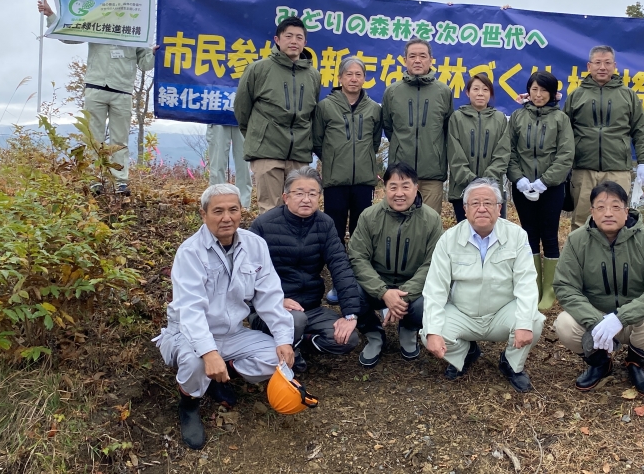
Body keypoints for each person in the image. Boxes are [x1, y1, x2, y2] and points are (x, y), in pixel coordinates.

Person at [153, 184, 295, 450]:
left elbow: (269, 296)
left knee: (276, 358)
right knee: (197, 363)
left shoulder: (255, 245)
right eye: (218, 211)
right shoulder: (190, 252)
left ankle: (221, 375)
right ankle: (189, 404)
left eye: (233, 209)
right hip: (188, 333)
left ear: (242, 212)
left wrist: (284, 338)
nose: (226, 217)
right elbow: (190, 310)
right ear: (203, 214)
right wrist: (209, 352)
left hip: (232, 333)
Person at [422, 178, 543, 393]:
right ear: (465, 209)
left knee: (533, 320)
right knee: (429, 330)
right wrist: (433, 331)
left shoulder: (517, 236)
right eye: (475, 203)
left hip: (502, 313)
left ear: (499, 208)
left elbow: (526, 283)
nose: (482, 209)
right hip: (462, 313)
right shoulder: (448, 239)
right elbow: (435, 288)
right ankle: (464, 353)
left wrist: (523, 323)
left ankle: (511, 364)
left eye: (488, 203)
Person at [553, 181, 644, 395]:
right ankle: (601, 362)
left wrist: (620, 317)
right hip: (596, 315)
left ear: (626, 211)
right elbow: (565, 286)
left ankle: (635, 363)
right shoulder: (576, 241)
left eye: (615, 207)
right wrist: (596, 321)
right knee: (565, 324)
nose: (608, 213)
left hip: (635, 317)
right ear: (592, 211)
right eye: (601, 207)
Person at [247, 167, 362, 373]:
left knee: (347, 338)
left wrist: (350, 314)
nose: (306, 199)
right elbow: (245, 274)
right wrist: (273, 301)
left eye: (312, 193)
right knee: (295, 320)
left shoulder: (325, 224)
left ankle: (298, 343)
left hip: (310, 307)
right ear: (285, 197)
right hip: (271, 309)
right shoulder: (264, 225)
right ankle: (287, 348)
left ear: (319, 197)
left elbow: (340, 267)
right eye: (299, 193)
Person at [38, 0, 157, 194]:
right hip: (96, 87)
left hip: (122, 90)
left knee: (120, 140)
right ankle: (96, 180)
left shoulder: (137, 30)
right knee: (93, 138)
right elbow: (71, 36)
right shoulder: (98, 23)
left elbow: (144, 63)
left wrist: (153, 53)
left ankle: (120, 182)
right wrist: (51, 16)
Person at [348, 162, 444, 367]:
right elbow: (357, 257)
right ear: (385, 189)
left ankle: (408, 329)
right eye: (393, 187)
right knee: (350, 291)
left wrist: (403, 294)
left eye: (405, 186)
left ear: (416, 188)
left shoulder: (431, 219)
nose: (399, 193)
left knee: (428, 302)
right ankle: (374, 333)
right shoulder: (369, 216)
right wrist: (383, 292)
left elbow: (433, 263)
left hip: (412, 288)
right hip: (377, 285)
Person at [234, 16, 321, 214]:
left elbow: (311, 113)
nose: (294, 41)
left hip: (299, 152)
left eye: (299, 37)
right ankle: (268, 246)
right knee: (270, 210)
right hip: (267, 150)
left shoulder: (313, 75)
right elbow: (242, 108)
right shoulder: (259, 69)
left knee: (300, 207)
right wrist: (258, 136)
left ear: (305, 43)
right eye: (288, 36)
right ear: (277, 39)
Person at [564, 45, 644, 231]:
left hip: (618, 168)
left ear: (614, 66)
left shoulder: (628, 95)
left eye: (607, 63)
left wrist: (643, 162)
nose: (602, 67)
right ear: (589, 66)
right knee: (581, 221)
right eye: (597, 63)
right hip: (583, 169)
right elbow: (564, 132)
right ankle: (581, 260)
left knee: (617, 220)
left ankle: (617, 259)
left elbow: (640, 130)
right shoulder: (576, 95)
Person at [507, 71, 575, 311]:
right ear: (528, 91)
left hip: (551, 188)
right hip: (523, 187)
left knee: (549, 234)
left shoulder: (560, 119)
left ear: (552, 93)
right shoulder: (517, 117)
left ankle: (550, 290)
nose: (538, 95)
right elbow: (510, 152)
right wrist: (520, 180)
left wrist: (545, 181)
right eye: (534, 89)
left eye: (543, 90)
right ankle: (533, 286)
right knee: (528, 235)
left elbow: (565, 154)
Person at [313, 56, 383, 242]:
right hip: (335, 179)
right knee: (334, 226)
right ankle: (336, 266)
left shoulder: (374, 109)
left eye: (358, 74)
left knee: (361, 227)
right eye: (349, 74)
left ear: (364, 78)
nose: (353, 79)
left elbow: (374, 141)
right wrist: (333, 158)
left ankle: (358, 265)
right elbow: (317, 141)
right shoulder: (325, 106)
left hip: (363, 179)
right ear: (340, 78)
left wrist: (365, 158)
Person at [381, 39, 454, 215]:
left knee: (429, 226)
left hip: (432, 174)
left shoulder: (443, 92)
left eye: (423, 56)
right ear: (405, 60)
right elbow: (389, 127)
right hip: (400, 173)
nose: (417, 60)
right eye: (412, 56)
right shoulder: (392, 92)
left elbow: (447, 129)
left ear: (431, 60)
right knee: (398, 223)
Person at [447, 73, 511, 222]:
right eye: (476, 89)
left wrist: (487, 181)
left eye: (485, 89)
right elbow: (455, 153)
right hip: (462, 190)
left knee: (494, 237)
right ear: (468, 93)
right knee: (465, 237)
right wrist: (472, 180)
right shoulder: (457, 118)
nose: (480, 93)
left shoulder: (500, 118)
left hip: (493, 191)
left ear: (491, 94)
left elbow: (503, 153)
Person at [206, 124, 252, 209]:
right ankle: (217, 203)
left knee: (244, 166)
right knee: (217, 165)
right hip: (218, 116)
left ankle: (243, 207)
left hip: (242, 115)